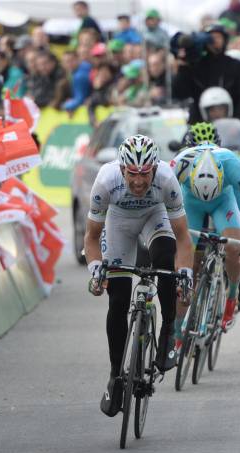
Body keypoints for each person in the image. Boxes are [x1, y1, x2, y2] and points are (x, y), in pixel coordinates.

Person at [84, 135, 193, 417]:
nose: (139, 181)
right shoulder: (106, 181)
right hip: (118, 222)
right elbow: (92, 237)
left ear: (154, 170)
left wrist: (186, 273)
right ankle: (115, 375)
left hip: (154, 216)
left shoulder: (167, 180)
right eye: (133, 173)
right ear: (122, 170)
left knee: (165, 259)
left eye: (145, 173)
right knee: (118, 300)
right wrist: (95, 268)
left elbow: (182, 236)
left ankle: (168, 331)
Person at [171, 122, 240, 335]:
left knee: (234, 247)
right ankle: (176, 329)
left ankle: (232, 295)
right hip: (190, 202)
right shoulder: (178, 165)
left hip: (222, 201)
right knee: (185, 261)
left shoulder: (232, 165)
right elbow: (160, 205)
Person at [172, 24, 240, 123]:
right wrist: (184, 65)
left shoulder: (236, 66)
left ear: (225, 40)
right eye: (211, 38)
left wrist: (235, 119)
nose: (214, 41)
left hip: (230, 122)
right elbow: (179, 93)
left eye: (218, 37)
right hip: (200, 124)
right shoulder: (196, 66)